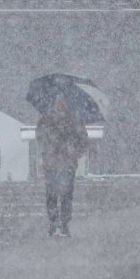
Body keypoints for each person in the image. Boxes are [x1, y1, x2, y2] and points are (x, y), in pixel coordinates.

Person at [35, 96, 90, 237]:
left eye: (62, 102)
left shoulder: (73, 121)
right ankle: (54, 222)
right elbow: (40, 138)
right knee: (52, 194)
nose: (59, 105)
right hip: (53, 164)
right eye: (57, 102)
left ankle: (64, 223)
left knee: (66, 194)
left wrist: (74, 152)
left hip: (66, 164)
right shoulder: (46, 120)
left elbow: (84, 140)